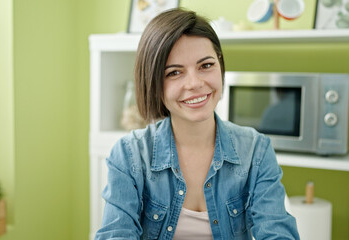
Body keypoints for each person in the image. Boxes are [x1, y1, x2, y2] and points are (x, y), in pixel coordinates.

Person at [95, 8, 300, 240]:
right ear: (153, 81)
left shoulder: (256, 150)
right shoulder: (129, 155)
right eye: (174, 73)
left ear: (220, 65)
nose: (195, 83)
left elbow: (278, 233)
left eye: (205, 65)